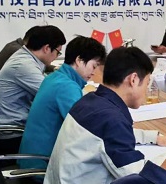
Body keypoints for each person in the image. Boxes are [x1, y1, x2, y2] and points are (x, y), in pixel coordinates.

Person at [42, 47, 166, 184]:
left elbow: (109, 136)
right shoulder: (110, 119)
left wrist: (151, 137)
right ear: (133, 79)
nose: (147, 90)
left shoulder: (93, 102)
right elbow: (140, 180)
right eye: (147, 83)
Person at [18, 36, 107, 170]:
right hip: (43, 164)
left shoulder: (55, 77)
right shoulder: (67, 87)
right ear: (79, 60)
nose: (94, 72)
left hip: (33, 157)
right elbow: (86, 130)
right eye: (93, 66)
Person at [0, 25, 66, 129]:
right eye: (58, 52)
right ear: (46, 48)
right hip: (14, 130)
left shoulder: (25, 56)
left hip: (20, 120)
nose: (57, 56)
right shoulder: (23, 65)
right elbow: (53, 95)